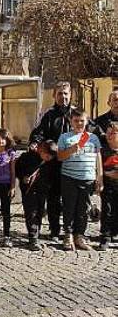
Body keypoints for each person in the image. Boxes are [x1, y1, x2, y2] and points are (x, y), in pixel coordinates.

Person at [29, 81, 73, 242]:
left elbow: (89, 132)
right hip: (53, 163)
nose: (63, 97)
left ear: (70, 95)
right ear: (54, 95)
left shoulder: (77, 114)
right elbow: (39, 133)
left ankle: (72, 231)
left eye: (66, 93)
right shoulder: (48, 115)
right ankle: (54, 230)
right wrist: (35, 142)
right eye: (60, 94)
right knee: (53, 197)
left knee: (71, 198)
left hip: (72, 162)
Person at [57, 108, 102, 251]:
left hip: (87, 178)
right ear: (71, 122)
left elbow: (98, 157)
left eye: (82, 121)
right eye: (76, 121)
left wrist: (99, 176)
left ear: (87, 121)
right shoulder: (64, 137)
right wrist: (71, 149)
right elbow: (60, 157)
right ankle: (68, 235)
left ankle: (80, 235)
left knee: (84, 209)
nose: (79, 124)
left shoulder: (93, 138)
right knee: (69, 208)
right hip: (69, 177)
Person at [16, 140, 57, 251]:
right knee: (31, 214)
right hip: (29, 191)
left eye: (50, 157)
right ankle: (33, 238)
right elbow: (17, 169)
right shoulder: (27, 157)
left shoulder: (50, 162)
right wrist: (23, 177)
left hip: (42, 190)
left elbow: (52, 176)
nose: (48, 159)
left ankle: (36, 235)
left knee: (39, 213)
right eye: (47, 156)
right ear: (41, 150)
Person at [99, 122, 118, 251]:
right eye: (108, 133)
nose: (109, 136)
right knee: (107, 210)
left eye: (113, 133)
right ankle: (105, 236)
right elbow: (99, 168)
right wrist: (106, 174)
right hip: (108, 186)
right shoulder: (103, 150)